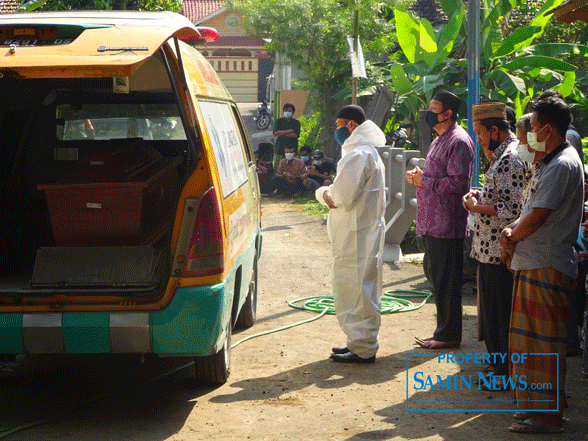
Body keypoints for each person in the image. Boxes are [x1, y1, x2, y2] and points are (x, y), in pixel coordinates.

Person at [500, 97, 584, 434]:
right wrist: (512, 233)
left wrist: (511, 235)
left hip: (546, 265)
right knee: (529, 343)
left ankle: (548, 415)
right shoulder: (551, 163)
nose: (529, 135)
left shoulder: (562, 164)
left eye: (533, 128)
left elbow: (538, 215)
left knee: (542, 344)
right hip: (536, 263)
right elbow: (531, 211)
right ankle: (535, 410)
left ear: (547, 128)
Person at [315, 104, 386, 363]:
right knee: (360, 288)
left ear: (351, 125)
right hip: (362, 232)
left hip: (356, 235)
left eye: (338, 124)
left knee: (356, 290)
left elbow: (340, 197)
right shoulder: (368, 153)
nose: (337, 130)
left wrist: (322, 193)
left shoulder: (359, 156)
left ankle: (364, 347)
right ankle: (358, 343)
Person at [462, 102, 527, 383]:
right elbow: (500, 195)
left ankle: (503, 372)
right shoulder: (501, 156)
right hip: (488, 249)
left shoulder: (510, 158)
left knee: (500, 314)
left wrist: (477, 208)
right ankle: (497, 367)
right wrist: (479, 196)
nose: (477, 139)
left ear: (494, 130)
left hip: (498, 251)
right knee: (492, 313)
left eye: (478, 133)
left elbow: (511, 209)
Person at [406, 89, 475, 349]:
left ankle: (448, 335)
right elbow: (437, 175)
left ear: (447, 113)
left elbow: (458, 183)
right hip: (432, 222)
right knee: (438, 280)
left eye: (433, 108)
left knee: (447, 282)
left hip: (447, 224)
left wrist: (426, 180)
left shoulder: (458, 141)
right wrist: (420, 176)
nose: (428, 113)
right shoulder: (439, 139)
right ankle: (442, 331)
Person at [273, 103, 300, 168]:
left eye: (289, 111)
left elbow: (295, 135)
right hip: (280, 150)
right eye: (286, 110)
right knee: (278, 169)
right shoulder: (279, 121)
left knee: (292, 169)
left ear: (293, 112)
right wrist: (290, 130)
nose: (287, 112)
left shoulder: (296, 122)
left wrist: (282, 133)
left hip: (292, 150)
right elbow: (276, 133)